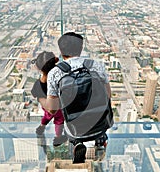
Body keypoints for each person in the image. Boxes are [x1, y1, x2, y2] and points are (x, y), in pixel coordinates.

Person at [43, 32, 113, 163]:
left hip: (76, 129)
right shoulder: (96, 66)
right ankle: (100, 141)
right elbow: (108, 95)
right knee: (100, 122)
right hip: (99, 122)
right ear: (81, 49)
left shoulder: (55, 73)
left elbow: (52, 109)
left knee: (70, 124)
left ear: (61, 51)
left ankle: (77, 143)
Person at [31, 51, 67, 147]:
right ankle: (58, 137)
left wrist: (41, 99)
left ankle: (41, 127)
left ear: (39, 68)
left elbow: (34, 94)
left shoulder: (38, 84)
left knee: (47, 115)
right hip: (58, 108)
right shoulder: (60, 81)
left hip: (46, 107)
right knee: (59, 121)